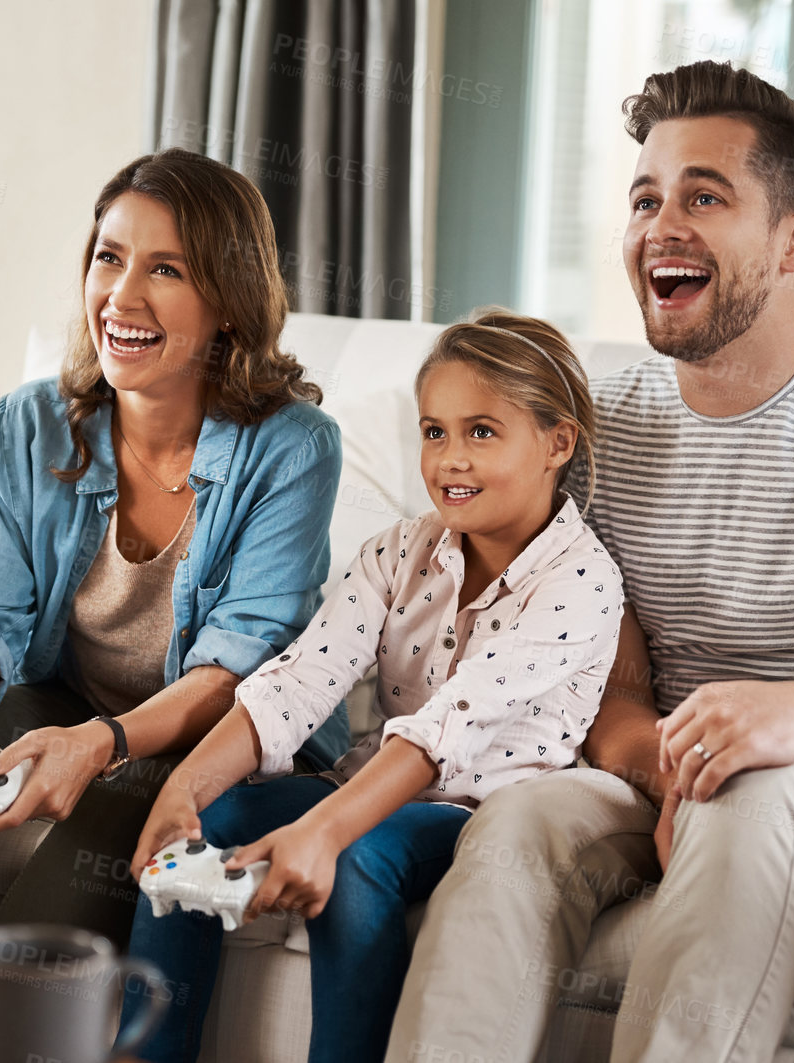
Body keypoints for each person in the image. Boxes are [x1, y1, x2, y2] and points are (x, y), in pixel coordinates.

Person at [387, 61, 794, 1063]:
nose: (662, 225)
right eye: (645, 198)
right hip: (675, 768)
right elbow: (610, 690)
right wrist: (670, 767)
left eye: (705, 196)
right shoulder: (606, 431)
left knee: (763, 790)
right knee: (521, 823)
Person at [0, 147, 349, 993]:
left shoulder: (292, 446)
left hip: (205, 741)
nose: (122, 295)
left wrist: (103, 743)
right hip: (80, 706)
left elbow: (239, 671)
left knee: (75, 879)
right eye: (109, 257)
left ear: (227, 303)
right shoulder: (31, 423)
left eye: (166, 269)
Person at [118, 309, 623, 1063]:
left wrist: (322, 832)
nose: (449, 458)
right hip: (367, 782)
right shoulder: (399, 550)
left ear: (557, 443)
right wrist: (183, 789)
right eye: (433, 431)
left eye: (481, 431)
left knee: (358, 859)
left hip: (478, 814)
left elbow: (444, 726)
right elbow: (299, 679)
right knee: (208, 817)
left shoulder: (581, 582)